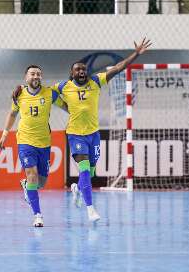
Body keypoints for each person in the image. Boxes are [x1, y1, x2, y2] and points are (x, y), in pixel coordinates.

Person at [51, 38, 151, 222]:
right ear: (71, 73)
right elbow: (45, 94)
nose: (81, 71)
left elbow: (118, 67)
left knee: (91, 171)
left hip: (94, 135)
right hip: (75, 135)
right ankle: (91, 210)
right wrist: (24, 92)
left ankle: (77, 189)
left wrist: (135, 54)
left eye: (83, 69)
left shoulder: (96, 81)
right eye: (77, 70)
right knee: (85, 171)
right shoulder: (63, 86)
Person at [0, 65, 67, 227]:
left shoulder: (50, 93)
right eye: (32, 74)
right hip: (25, 141)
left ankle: (26, 186)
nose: (36, 76)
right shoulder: (20, 94)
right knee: (32, 175)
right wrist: (5, 133)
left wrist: (80, 113)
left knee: (40, 183)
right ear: (26, 77)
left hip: (44, 142)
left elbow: (66, 106)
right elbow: (13, 114)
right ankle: (38, 215)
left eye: (38, 74)